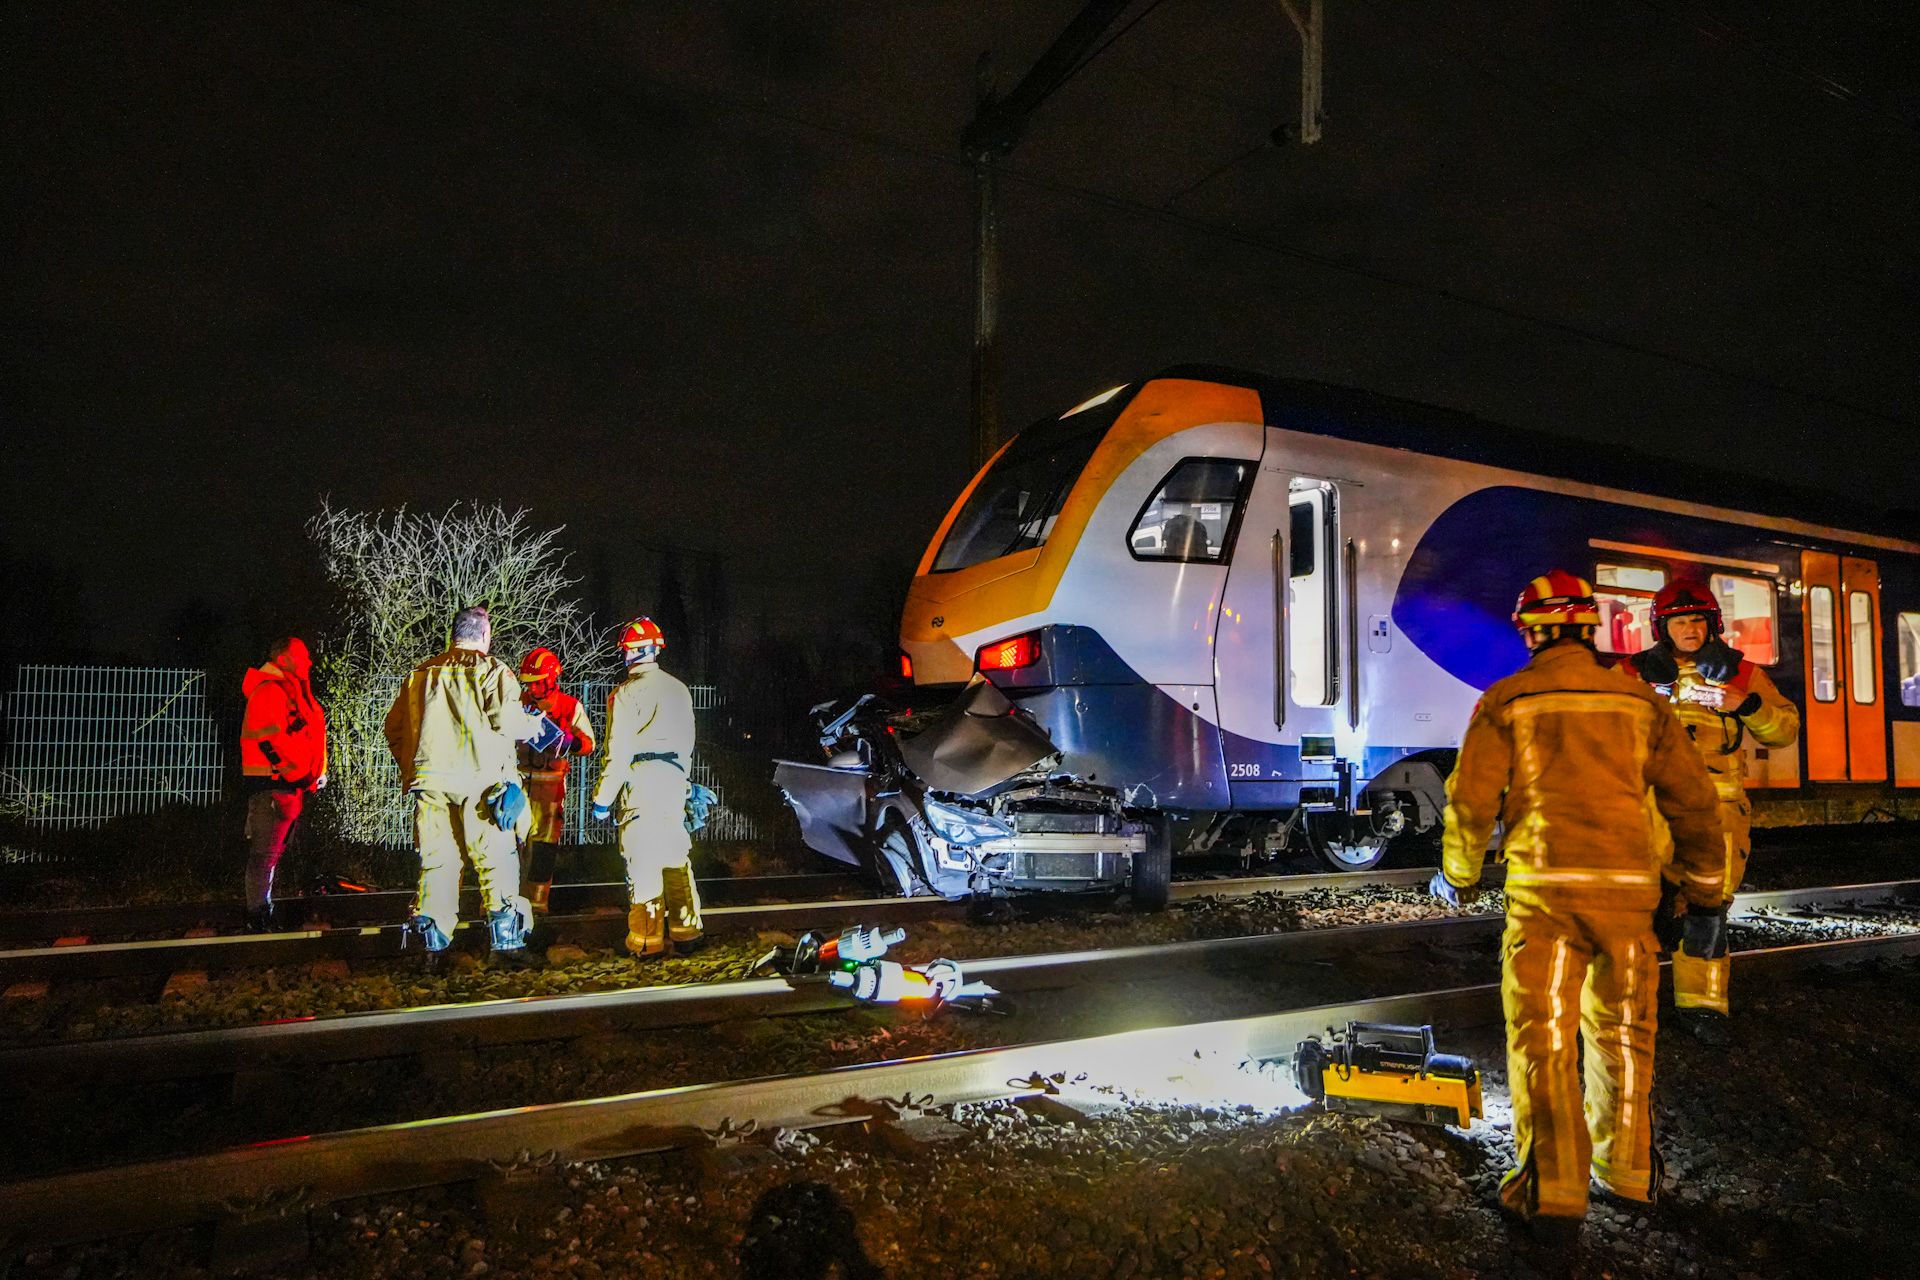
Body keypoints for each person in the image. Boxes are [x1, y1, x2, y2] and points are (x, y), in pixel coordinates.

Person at [1429, 571, 1726, 1244]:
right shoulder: (1638, 703)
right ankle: (1626, 1175)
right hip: (1628, 900)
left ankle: (1554, 1192)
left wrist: (1459, 873)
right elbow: (1696, 803)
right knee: (1624, 1035)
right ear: (1591, 629)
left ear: (1530, 631)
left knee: (1544, 1038)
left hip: (1546, 899)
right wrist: (1706, 890)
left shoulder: (1507, 700)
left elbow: (1472, 803)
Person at [1617, 579, 1800, 1032]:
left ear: (1712, 624)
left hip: (1718, 815)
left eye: (1698, 619)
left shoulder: (1741, 674)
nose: (1690, 628)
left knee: (1707, 912)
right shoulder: (1632, 673)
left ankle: (1702, 1008)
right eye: (1679, 620)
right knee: (1633, 910)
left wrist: (1747, 705)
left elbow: (1784, 731)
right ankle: (1624, 1007)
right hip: (1648, 811)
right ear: (1663, 627)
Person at [383, 605, 534, 960]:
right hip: (481, 783)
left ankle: (431, 946)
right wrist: (535, 726)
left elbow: (394, 730)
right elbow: (508, 722)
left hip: (430, 783)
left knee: (438, 861)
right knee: (495, 857)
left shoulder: (420, 674)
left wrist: (415, 769)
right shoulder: (492, 671)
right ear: (485, 635)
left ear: (454, 635)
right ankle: (506, 943)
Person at [591, 616, 700, 958]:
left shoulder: (625, 694)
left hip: (640, 782)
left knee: (643, 861)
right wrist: (683, 785)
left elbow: (618, 752)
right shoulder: (678, 688)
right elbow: (688, 742)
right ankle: (687, 935)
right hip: (673, 781)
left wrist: (602, 799)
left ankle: (646, 943)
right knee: (675, 856)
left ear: (628, 653)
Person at [238, 636, 328, 929]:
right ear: (285, 659)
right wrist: (300, 773)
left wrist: (313, 772)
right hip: (274, 788)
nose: (309, 662)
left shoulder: (287, 691)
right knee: (265, 856)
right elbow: (272, 742)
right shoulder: (271, 691)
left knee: (269, 855)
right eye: (303, 656)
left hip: (286, 786)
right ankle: (258, 916)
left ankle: (261, 913)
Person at [515, 646, 596, 913]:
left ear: (552, 679)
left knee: (544, 848)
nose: (533, 689)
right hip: (516, 782)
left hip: (550, 787)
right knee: (508, 844)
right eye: (528, 684)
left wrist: (570, 742)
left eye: (537, 683)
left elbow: (588, 743)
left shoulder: (570, 706)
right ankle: (504, 901)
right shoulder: (517, 703)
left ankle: (537, 904)